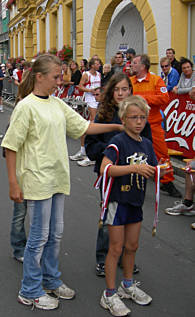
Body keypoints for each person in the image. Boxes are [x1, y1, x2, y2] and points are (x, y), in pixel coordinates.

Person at [1, 54, 124, 310]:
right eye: (56, 77)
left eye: (61, 77)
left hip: (57, 178)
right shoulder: (26, 107)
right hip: (36, 181)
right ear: (40, 77)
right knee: (38, 237)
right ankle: (30, 290)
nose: (60, 82)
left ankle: (51, 279)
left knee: (55, 235)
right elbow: (10, 146)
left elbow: (84, 127)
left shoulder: (56, 104)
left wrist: (118, 127)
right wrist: (13, 182)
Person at [99, 95, 163, 316]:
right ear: (123, 119)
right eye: (134, 117)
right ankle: (108, 294)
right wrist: (133, 169)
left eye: (142, 117)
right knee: (115, 248)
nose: (139, 121)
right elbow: (105, 169)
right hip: (118, 202)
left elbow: (153, 169)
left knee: (132, 246)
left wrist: (164, 171)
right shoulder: (117, 141)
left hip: (136, 202)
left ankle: (127, 285)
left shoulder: (146, 143)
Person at [85, 73, 152, 277]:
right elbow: (91, 148)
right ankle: (104, 258)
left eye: (125, 89)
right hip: (110, 176)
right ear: (111, 91)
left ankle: (125, 258)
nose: (121, 93)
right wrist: (114, 149)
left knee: (130, 218)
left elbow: (147, 146)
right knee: (110, 217)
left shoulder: (138, 114)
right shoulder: (103, 115)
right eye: (117, 90)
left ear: (131, 91)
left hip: (134, 177)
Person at [130, 54, 181, 198]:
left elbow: (164, 98)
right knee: (132, 154)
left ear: (143, 66)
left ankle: (167, 182)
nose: (131, 65)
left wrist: (144, 99)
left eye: (134, 63)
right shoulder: (129, 81)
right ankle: (132, 182)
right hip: (133, 126)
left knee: (162, 154)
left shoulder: (156, 80)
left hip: (153, 124)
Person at [70, 57, 101, 166]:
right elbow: (80, 86)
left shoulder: (99, 74)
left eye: (99, 64)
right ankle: (85, 152)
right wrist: (90, 90)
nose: (99, 65)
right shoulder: (86, 74)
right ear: (92, 65)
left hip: (97, 101)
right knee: (90, 125)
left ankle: (88, 152)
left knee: (92, 126)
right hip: (89, 101)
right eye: (97, 64)